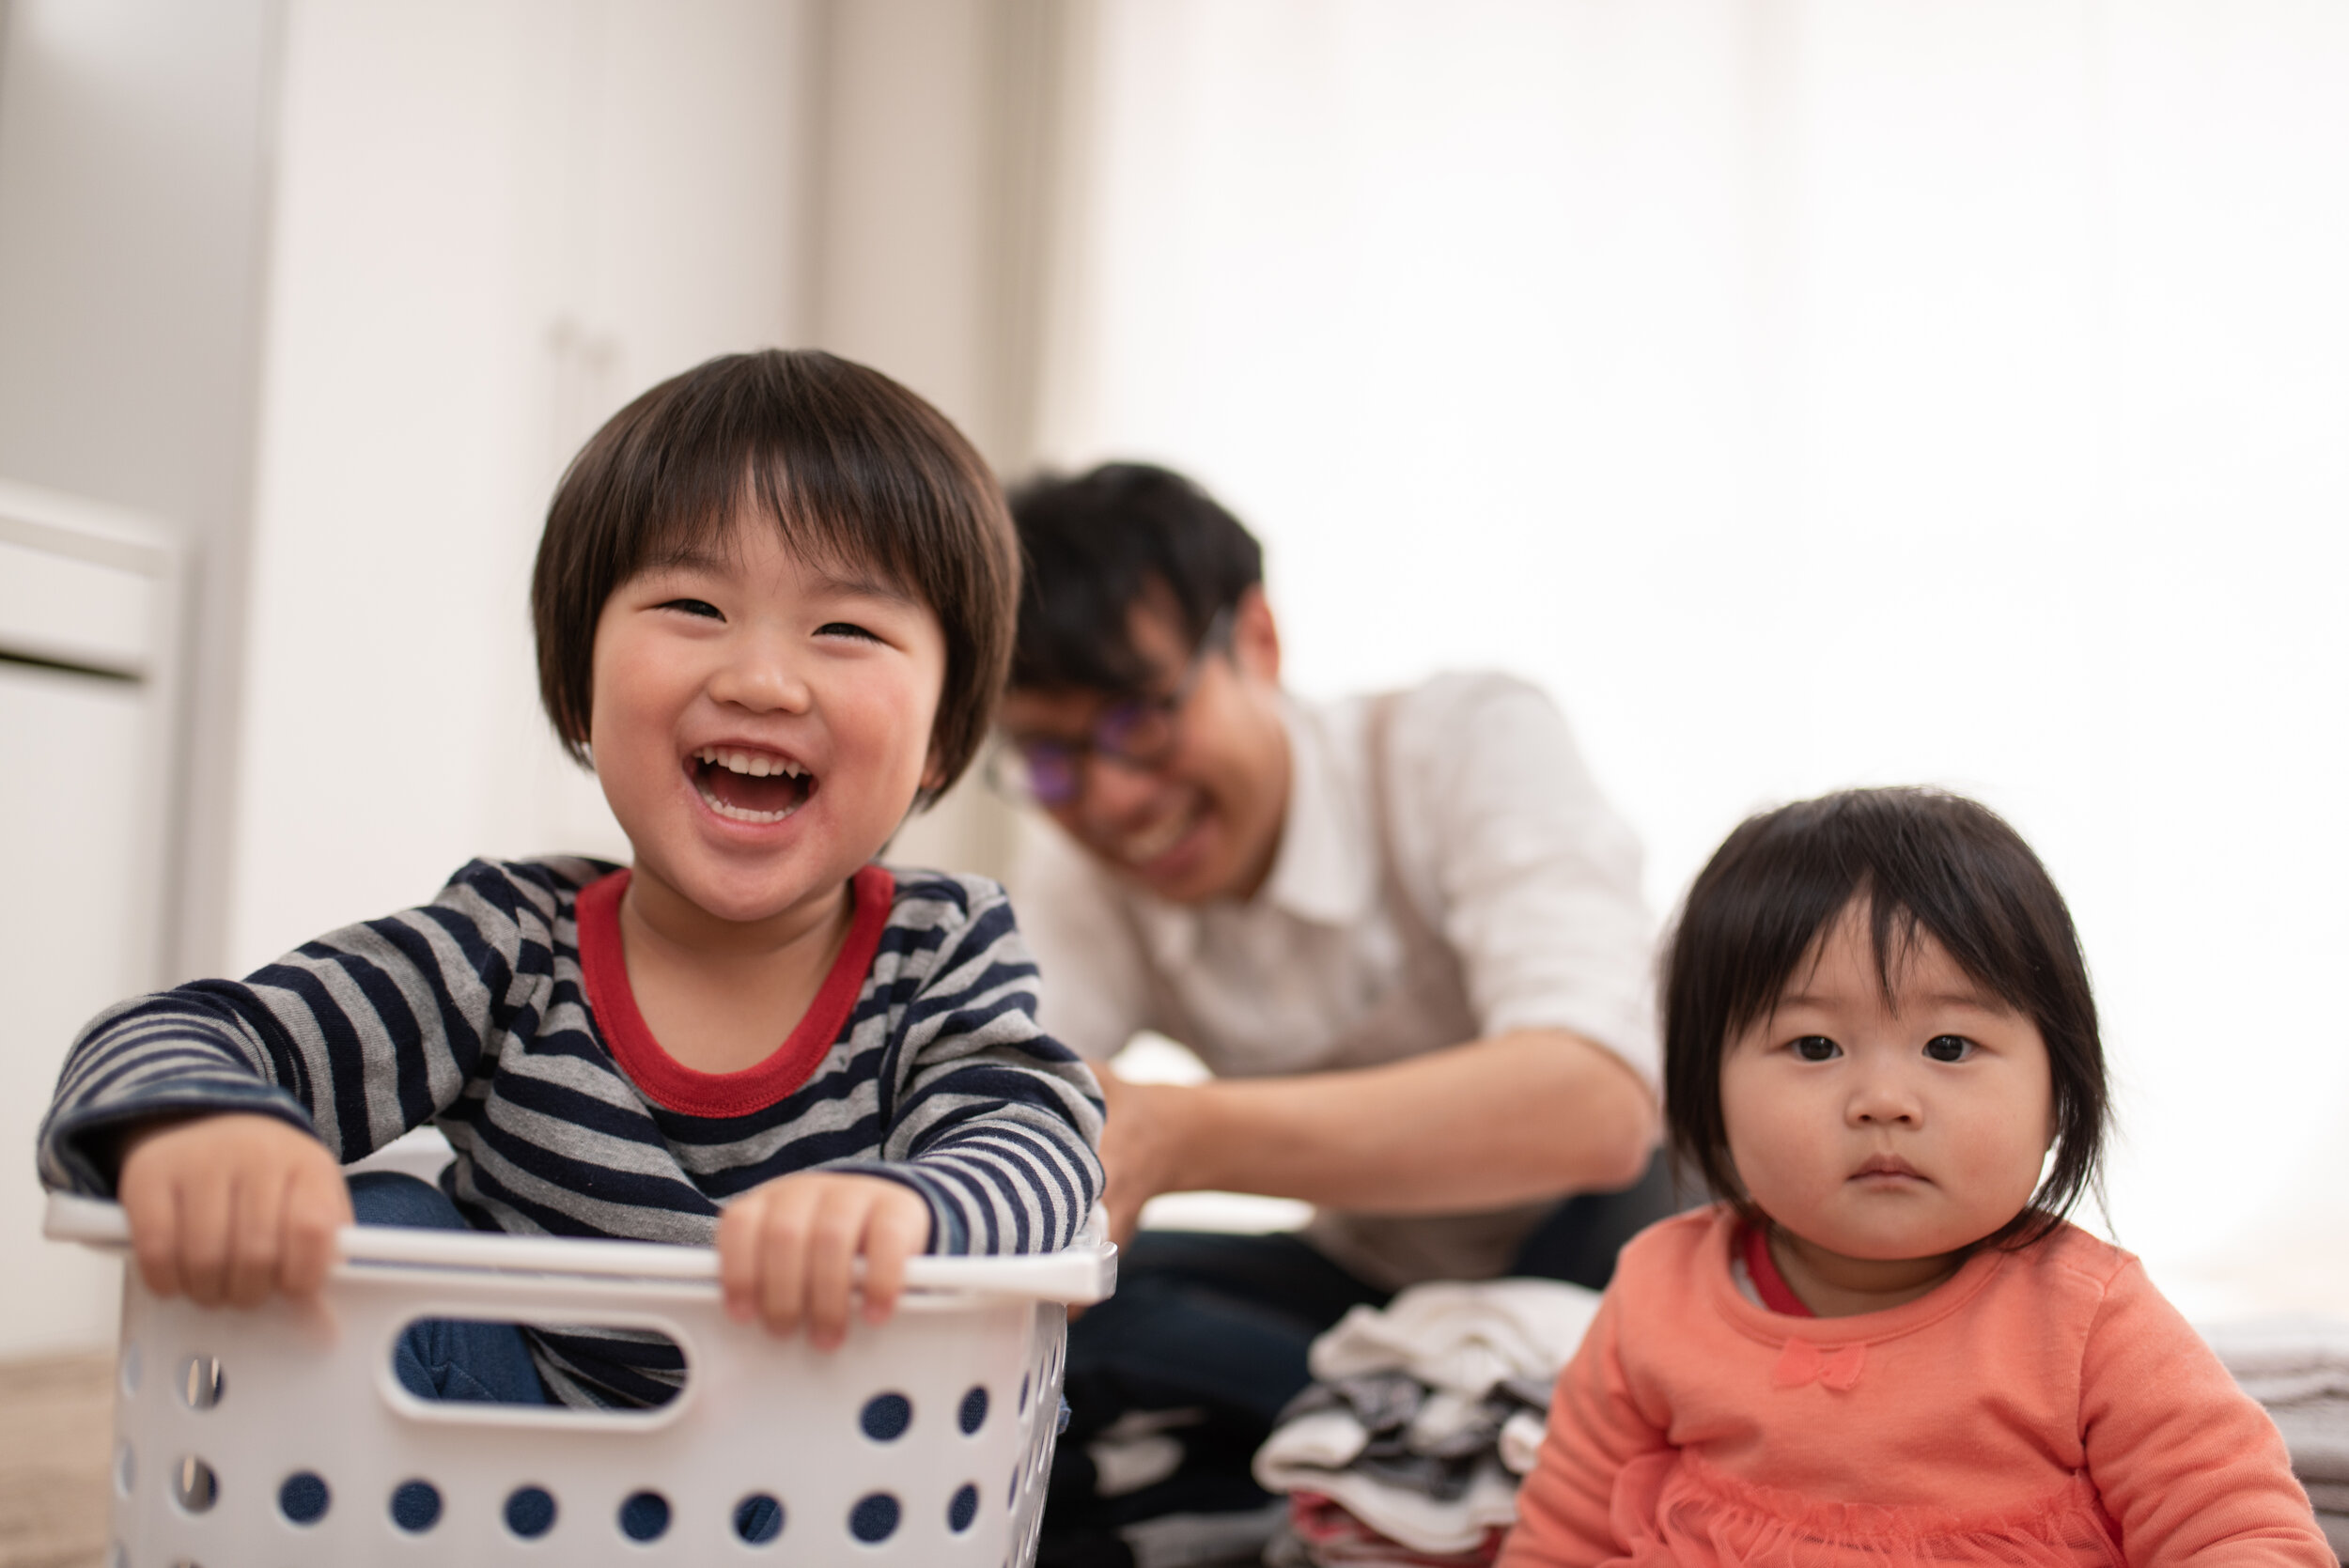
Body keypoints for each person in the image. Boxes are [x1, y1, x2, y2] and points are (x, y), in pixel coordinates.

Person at [36, 349, 1104, 1411]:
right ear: (578, 684)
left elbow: (1043, 1144)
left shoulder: (942, 947)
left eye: (846, 629)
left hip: (832, 1480)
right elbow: (172, 1033)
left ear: (941, 736)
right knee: (374, 1225)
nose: (762, 679)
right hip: (507, 1491)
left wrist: (907, 1212)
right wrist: (207, 1131)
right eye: (692, 605)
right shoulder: (507, 945)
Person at [994, 464, 1674, 1565]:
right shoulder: (1081, 863)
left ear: (1255, 639)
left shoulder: (1460, 745)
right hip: (1369, 1281)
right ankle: (1423, 1434)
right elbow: (1018, 1094)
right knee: (1053, 1312)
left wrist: (1178, 1133)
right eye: (1050, 756)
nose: (1112, 796)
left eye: (1141, 717)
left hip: (1610, 1248)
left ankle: (1421, 1433)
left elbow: (1595, 1105)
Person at [1500, 787, 2331, 1567]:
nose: (1885, 1102)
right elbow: (1562, 1535)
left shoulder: (2089, 1320)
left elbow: (2242, 1528)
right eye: (1815, 1047)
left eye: (1949, 1047)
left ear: (2057, 1094)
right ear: (1706, 1094)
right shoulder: (1658, 1293)